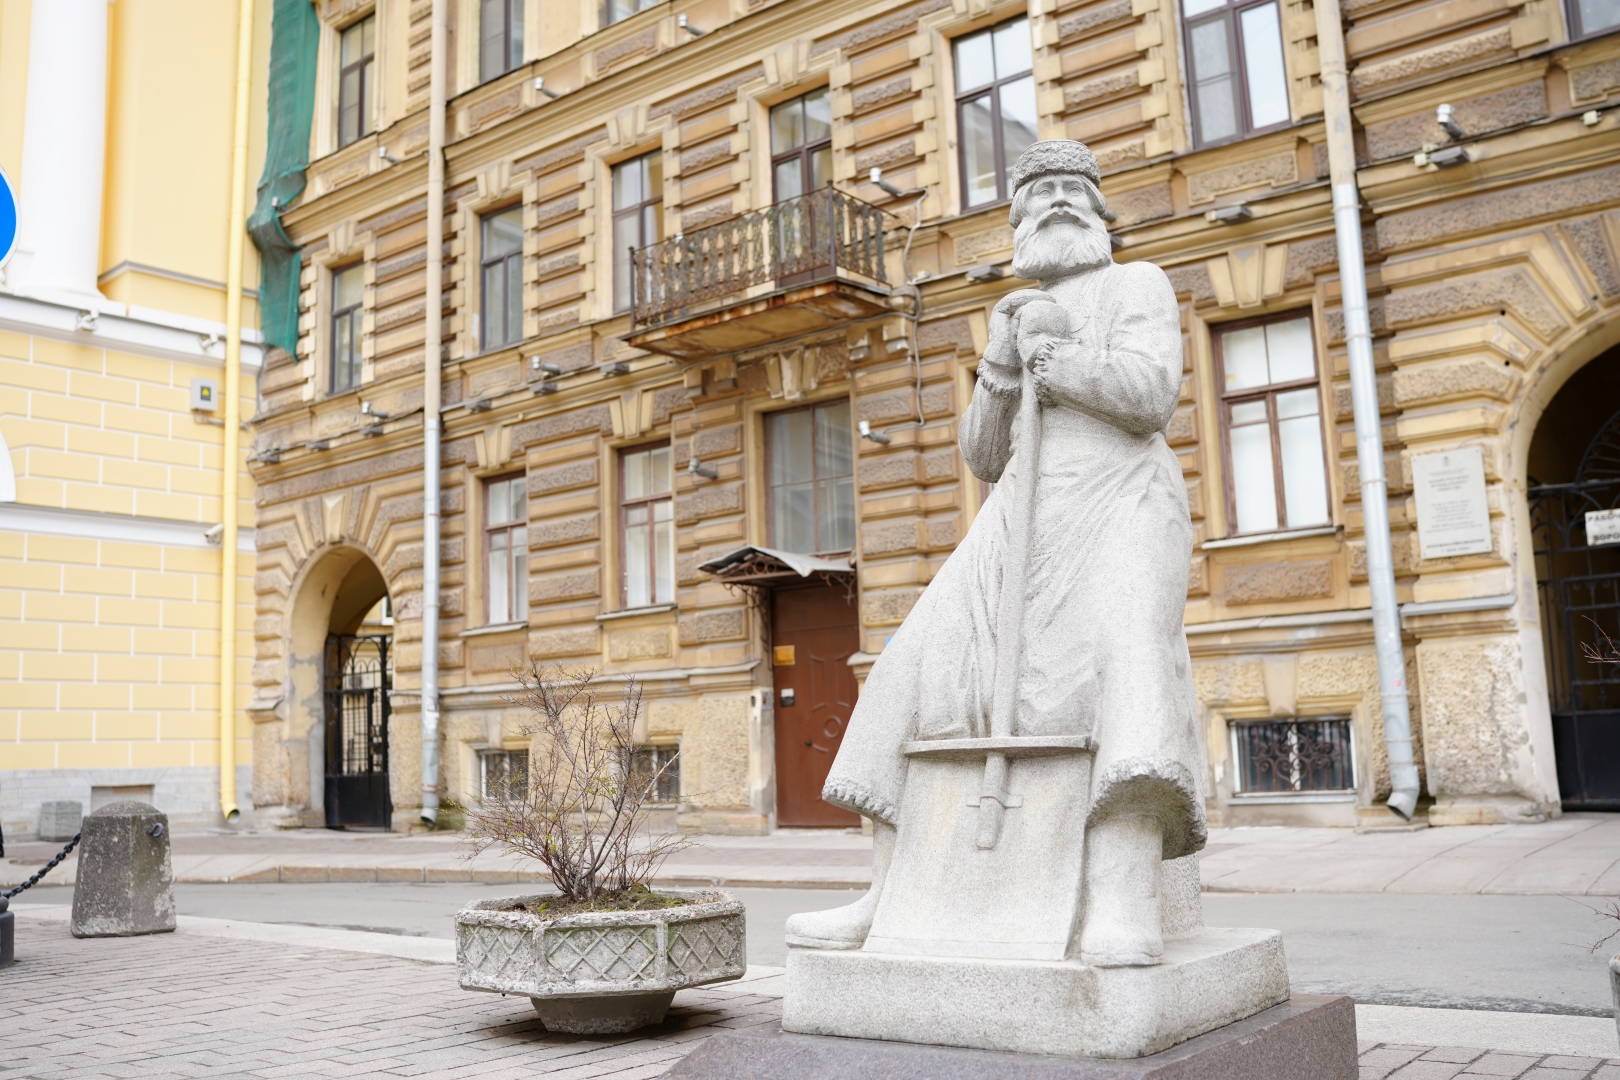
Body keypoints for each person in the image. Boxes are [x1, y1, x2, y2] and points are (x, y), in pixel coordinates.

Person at [785, 140, 1205, 967]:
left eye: (1069, 190)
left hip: (1120, 497)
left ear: (1096, 209)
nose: (1054, 202)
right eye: (1037, 192)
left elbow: (1150, 396)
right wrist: (1002, 363)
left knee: (1127, 654)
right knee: (916, 662)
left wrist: (1057, 355)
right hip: (1021, 514)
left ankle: (1121, 892)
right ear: (1017, 220)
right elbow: (983, 456)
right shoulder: (1011, 313)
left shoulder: (1135, 284)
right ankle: (890, 888)